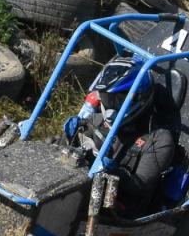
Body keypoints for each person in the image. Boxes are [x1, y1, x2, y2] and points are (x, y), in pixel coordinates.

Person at [63, 55, 177, 217]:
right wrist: (67, 138)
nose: (109, 107)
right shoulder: (97, 119)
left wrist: (111, 172)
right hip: (83, 195)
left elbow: (139, 187)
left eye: (117, 100)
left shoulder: (158, 139)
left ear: (138, 97)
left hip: (118, 212)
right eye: (107, 98)